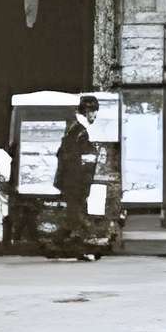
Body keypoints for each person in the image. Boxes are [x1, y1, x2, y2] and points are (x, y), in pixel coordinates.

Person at [54, 93, 101, 254]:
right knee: (76, 215)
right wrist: (84, 183)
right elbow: (75, 160)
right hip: (75, 183)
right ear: (87, 111)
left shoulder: (74, 129)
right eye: (94, 111)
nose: (95, 115)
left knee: (73, 215)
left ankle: (60, 243)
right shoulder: (80, 131)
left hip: (72, 182)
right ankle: (81, 244)